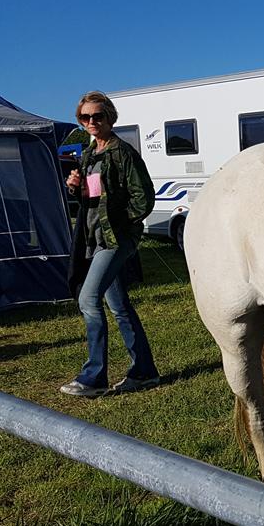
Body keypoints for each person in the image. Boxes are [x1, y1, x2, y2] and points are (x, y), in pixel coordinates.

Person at [59, 91, 160, 398]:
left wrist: (122, 224)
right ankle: (144, 372)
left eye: (97, 116)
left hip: (114, 241)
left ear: (110, 118)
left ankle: (93, 377)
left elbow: (144, 198)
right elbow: (92, 200)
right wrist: (75, 188)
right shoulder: (90, 153)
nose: (91, 122)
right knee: (119, 306)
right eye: (84, 117)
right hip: (94, 239)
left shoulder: (122, 153)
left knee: (88, 300)